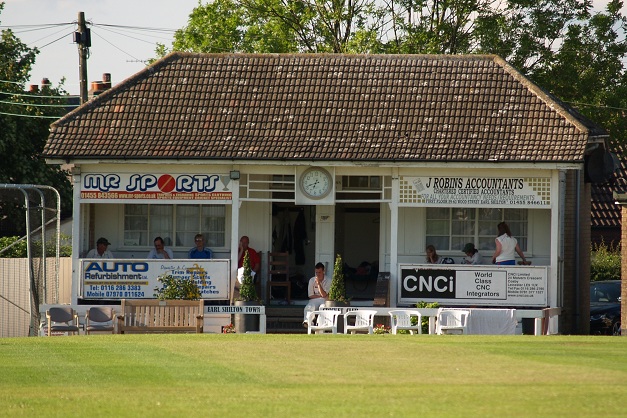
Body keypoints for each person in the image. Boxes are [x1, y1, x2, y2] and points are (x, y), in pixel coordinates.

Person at [303, 262, 332, 328]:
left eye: (319, 272)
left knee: (322, 307)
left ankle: (320, 323)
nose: (318, 274)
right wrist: (320, 296)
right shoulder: (312, 280)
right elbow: (310, 295)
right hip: (314, 299)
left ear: (323, 271)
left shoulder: (328, 281)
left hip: (324, 300)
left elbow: (324, 295)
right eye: (316, 272)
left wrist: (318, 284)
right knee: (309, 307)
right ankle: (308, 321)